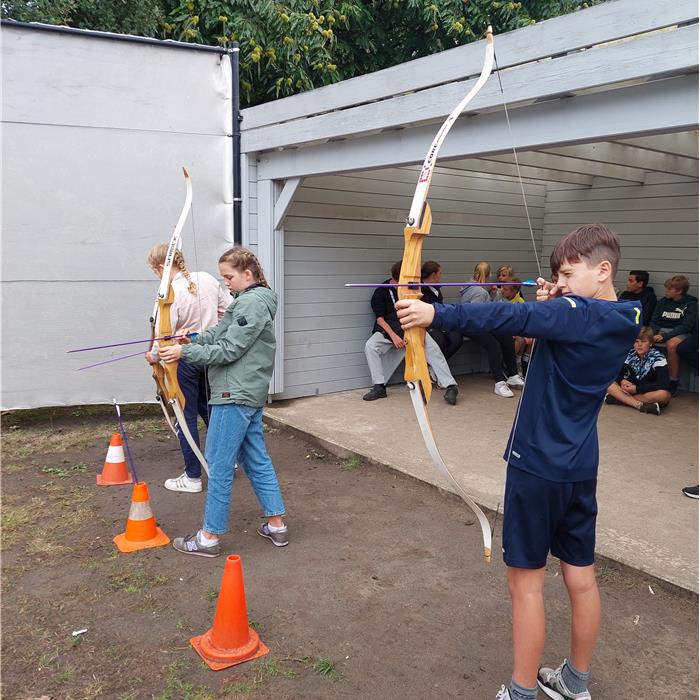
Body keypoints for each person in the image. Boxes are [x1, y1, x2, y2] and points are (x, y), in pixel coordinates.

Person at [396, 224, 641, 700]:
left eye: (569, 273)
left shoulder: (573, 313)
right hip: (579, 465)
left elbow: (506, 320)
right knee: (580, 575)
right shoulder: (626, 313)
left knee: (525, 584)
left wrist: (433, 311)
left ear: (603, 269)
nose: (562, 282)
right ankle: (575, 683)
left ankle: (522, 692)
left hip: (537, 467)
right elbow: (573, 317)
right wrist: (562, 299)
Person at [158, 247, 288, 556]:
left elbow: (230, 349)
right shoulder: (247, 301)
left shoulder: (252, 303)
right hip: (244, 393)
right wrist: (193, 339)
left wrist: (184, 353)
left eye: (229, 277)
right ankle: (277, 525)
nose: (225, 282)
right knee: (255, 459)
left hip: (235, 394)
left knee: (217, 463)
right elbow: (221, 332)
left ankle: (209, 537)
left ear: (248, 274)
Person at [146, 244, 230, 493]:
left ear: (161, 267)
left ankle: (193, 476)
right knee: (209, 409)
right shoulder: (206, 278)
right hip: (209, 355)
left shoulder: (169, 292)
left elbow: (165, 336)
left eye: (157, 272)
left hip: (184, 359)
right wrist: (208, 334)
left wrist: (153, 357)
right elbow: (227, 313)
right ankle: (224, 463)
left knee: (185, 415)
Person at [363, 261, 460, 405]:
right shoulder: (381, 291)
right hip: (390, 330)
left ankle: (451, 386)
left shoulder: (413, 289)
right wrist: (394, 337)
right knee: (370, 346)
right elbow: (380, 320)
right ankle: (379, 386)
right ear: (398, 278)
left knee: (434, 352)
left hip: (412, 327)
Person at [460, 262, 524, 398]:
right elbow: (474, 314)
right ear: (488, 275)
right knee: (493, 345)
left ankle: (512, 375)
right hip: (469, 325)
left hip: (479, 324)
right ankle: (499, 383)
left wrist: (492, 295)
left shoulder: (480, 288)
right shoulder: (479, 291)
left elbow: (486, 308)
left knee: (505, 335)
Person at [605, 326, 671, 415]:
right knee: (610, 385)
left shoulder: (658, 357)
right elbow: (616, 374)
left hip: (649, 391)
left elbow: (664, 384)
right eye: (636, 341)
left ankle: (621, 399)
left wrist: (637, 389)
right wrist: (622, 381)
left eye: (643, 342)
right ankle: (640, 405)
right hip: (631, 389)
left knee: (663, 395)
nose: (639, 345)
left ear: (650, 343)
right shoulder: (630, 354)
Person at [650, 275, 698, 394]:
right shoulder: (663, 302)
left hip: (682, 332)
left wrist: (665, 336)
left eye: (669, 289)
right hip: (661, 330)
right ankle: (647, 377)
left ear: (679, 291)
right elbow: (654, 320)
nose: (666, 291)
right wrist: (654, 332)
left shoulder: (690, 304)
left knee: (671, 345)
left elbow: (687, 326)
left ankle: (673, 382)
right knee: (643, 339)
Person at [421, 260, 463, 360]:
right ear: (433, 274)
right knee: (440, 342)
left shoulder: (436, 287)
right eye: (440, 273)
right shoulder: (419, 289)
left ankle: (438, 364)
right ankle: (435, 367)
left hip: (441, 319)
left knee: (457, 339)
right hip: (428, 323)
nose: (440, 276)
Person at [501, 280, 532, 375]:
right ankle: (508, 362)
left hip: (515, 326)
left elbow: (521, 317)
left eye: (505, 289)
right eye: (502, 288)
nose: (502, 290)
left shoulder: (520, 302)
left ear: (514, 292)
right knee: (520, 339)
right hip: (505, 327)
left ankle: (523, 362)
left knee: (531, 338)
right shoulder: (501, 299)